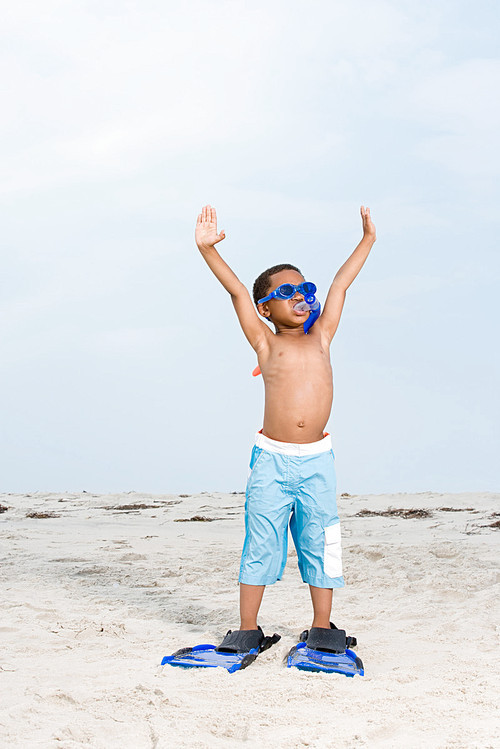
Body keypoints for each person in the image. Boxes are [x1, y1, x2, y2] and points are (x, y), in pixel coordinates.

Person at [195, 203, 376, 642]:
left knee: (321, 540)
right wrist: (207, 251)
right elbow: (238, 292)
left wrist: (367, 240)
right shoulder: (265, 344)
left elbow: (341, 283)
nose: (301, 297)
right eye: (287, 292)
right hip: (272, 462)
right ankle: (246, 629)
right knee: (260, 542)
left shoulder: (323, 336)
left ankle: (321, 626)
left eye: (304, 289)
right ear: (265, 309)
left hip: (317, 461)